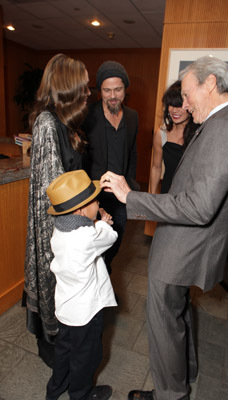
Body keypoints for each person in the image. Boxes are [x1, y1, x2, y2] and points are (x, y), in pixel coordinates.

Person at [99, 56, 228, 400]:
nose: (183, 104)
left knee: (163, 322)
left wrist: (132, 198)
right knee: (178, 311)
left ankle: (170, 393)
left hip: (182, 247)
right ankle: (185, 373)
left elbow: (199, 206)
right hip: (189, 244)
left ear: (210, 85)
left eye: (188, 94)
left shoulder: (225, 129)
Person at [23, 53, 90, 367]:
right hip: (59, 237)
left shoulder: (65, 122)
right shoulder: (48, 123)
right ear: (68, 87)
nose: (88, 92)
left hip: (70, 231)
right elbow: (54, 196)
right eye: (83, 87)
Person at [45, 169, 117, 400]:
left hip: (65, 308)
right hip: (87, 312)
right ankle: (81, 394)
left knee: (64, 349)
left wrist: (94, 221)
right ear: (81, 209)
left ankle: (56, 388)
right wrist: (104, 222)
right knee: (87, 356)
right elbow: (109, 237)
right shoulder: (88, 236)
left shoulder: (59, 229)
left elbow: (85, 229)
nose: (99, 202)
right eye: (95, 200)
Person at [82, 60, 139, 274]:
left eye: (118, 89)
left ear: (125, 89)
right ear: (100, 91)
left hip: (120, 196)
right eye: (107, 90)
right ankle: (98, 290)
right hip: (93, 196)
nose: (113, 95)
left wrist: (129, 184)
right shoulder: (87, 115)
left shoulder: (132, 117)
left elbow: (133, 153)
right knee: (93, 247)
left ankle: (103, 279)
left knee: (115, 243)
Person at [150, 80, 198, 194]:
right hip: (167, 194)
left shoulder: (199, 134)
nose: (174, 110)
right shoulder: (161, 133)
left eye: (179, 105)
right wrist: (151, 198)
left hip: (191, 197)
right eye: (171, 105)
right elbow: (156, 168)